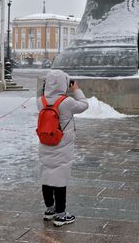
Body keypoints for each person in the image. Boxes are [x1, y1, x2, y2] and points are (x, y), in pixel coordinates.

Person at [37, 70, 88, 226]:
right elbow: (85, 105)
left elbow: (43, 93)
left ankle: (49, 210)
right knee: (60, 177)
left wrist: (46, 86)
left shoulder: (40, 101)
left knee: (46, 175)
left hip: (45, 142)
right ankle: (61, 214)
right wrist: (76, 89)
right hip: (62, 144)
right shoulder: (67, 102)